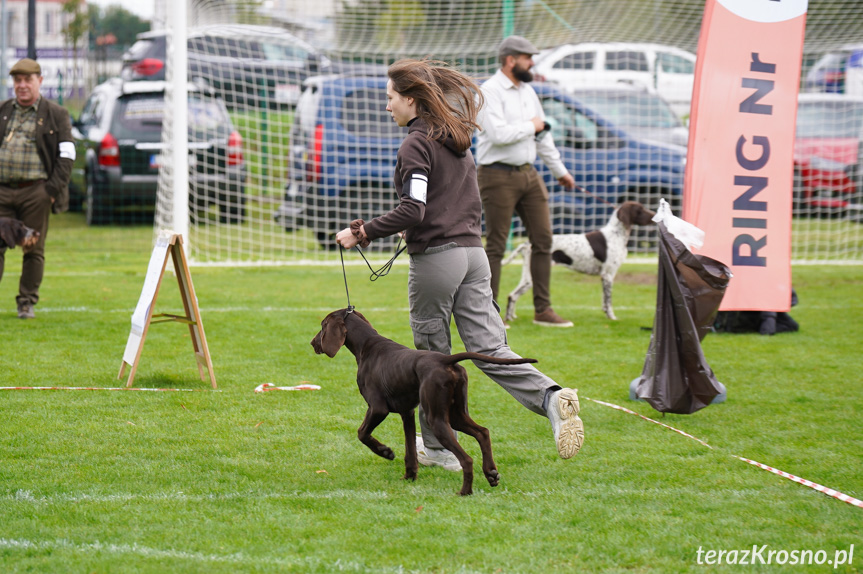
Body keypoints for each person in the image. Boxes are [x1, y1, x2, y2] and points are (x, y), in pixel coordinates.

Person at [335, 59, 584, 470]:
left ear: (411, 100)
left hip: (439, 260)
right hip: (473, 255)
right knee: (490, 347)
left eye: (390, 99)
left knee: (431, 358)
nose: (387, 107)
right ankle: (551, 396)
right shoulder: (455, 137)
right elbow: (443, 203)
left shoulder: (415, 143)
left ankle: (435, 448)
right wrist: (416, 227)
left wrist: (362, 232)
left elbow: (413, 209)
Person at [476, 36, 576, 328]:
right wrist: (531, 126)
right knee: (495, 245)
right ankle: (489, 313)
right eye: (527, 57)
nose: (532, 62)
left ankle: (542, 310)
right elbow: (498, 135)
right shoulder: (488, 92)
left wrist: (560, 171)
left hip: (529, 174)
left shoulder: (528, 91)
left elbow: (542, 135)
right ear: (511, 60)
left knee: (543, 240)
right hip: (496, 175)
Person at [0, 58, 75, 319]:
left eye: (27, 80)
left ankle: (26, 301)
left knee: (33, 247)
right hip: (2, 190)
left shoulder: (56, 114)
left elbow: (67, 155)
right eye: (17, 80)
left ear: (39, 81)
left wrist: (50, 191)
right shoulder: (2, 110)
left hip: (37, 192)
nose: (21, 86)